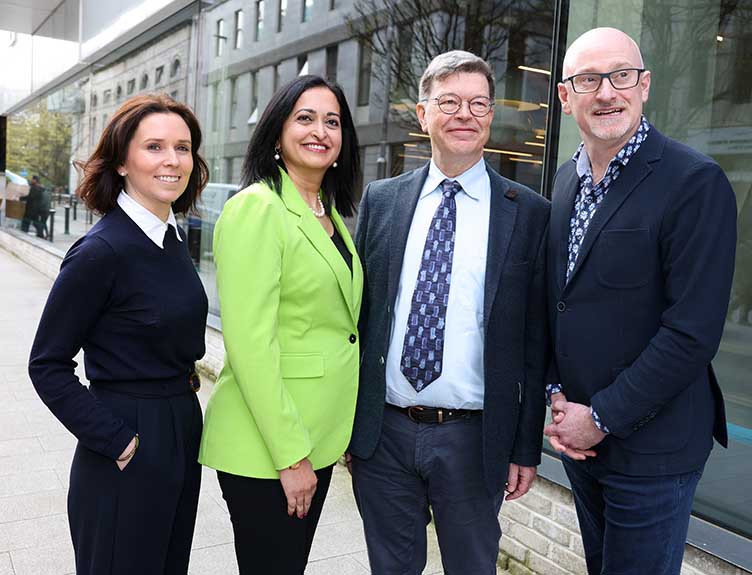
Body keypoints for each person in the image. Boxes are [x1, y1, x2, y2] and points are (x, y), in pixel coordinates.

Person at [543, 27, 737, 575]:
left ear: (644, 85)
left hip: (654, 450)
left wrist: (598, 417)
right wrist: (558, 398)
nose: (606, 92)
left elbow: (691, 333)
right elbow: (558, 303)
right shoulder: (564, 183)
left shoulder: (693, 183)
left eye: (620, 76)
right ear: (565, 96)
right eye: (588, 80)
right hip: (581, 441)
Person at [349, 50, 550, 574]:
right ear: (423, 114)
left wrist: (525, 446)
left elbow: (535, 343)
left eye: (479, 103)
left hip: (474, 439)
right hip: (384, 435)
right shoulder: (382, 200)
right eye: (450, 102)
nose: (465, 114)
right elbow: (358, 318)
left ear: (490, 117)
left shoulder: (528, 212)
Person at [28, 94, 210, 575]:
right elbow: (46, 364)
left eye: (183, 147)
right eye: (154, 147)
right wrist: (118, 441)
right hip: (126, 437)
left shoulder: (169, 236)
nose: (172, 160)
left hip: (180, 427)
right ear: (123, 162)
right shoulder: (101, 250)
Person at [198, 75, 362, 575]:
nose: (320, 130)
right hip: (269, 447)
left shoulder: (326, 213)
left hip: (318, 435)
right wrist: (291, 457)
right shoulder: (257, 208)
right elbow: (250, 344)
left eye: (332, 121)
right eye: (305, 118)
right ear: (276, 134)